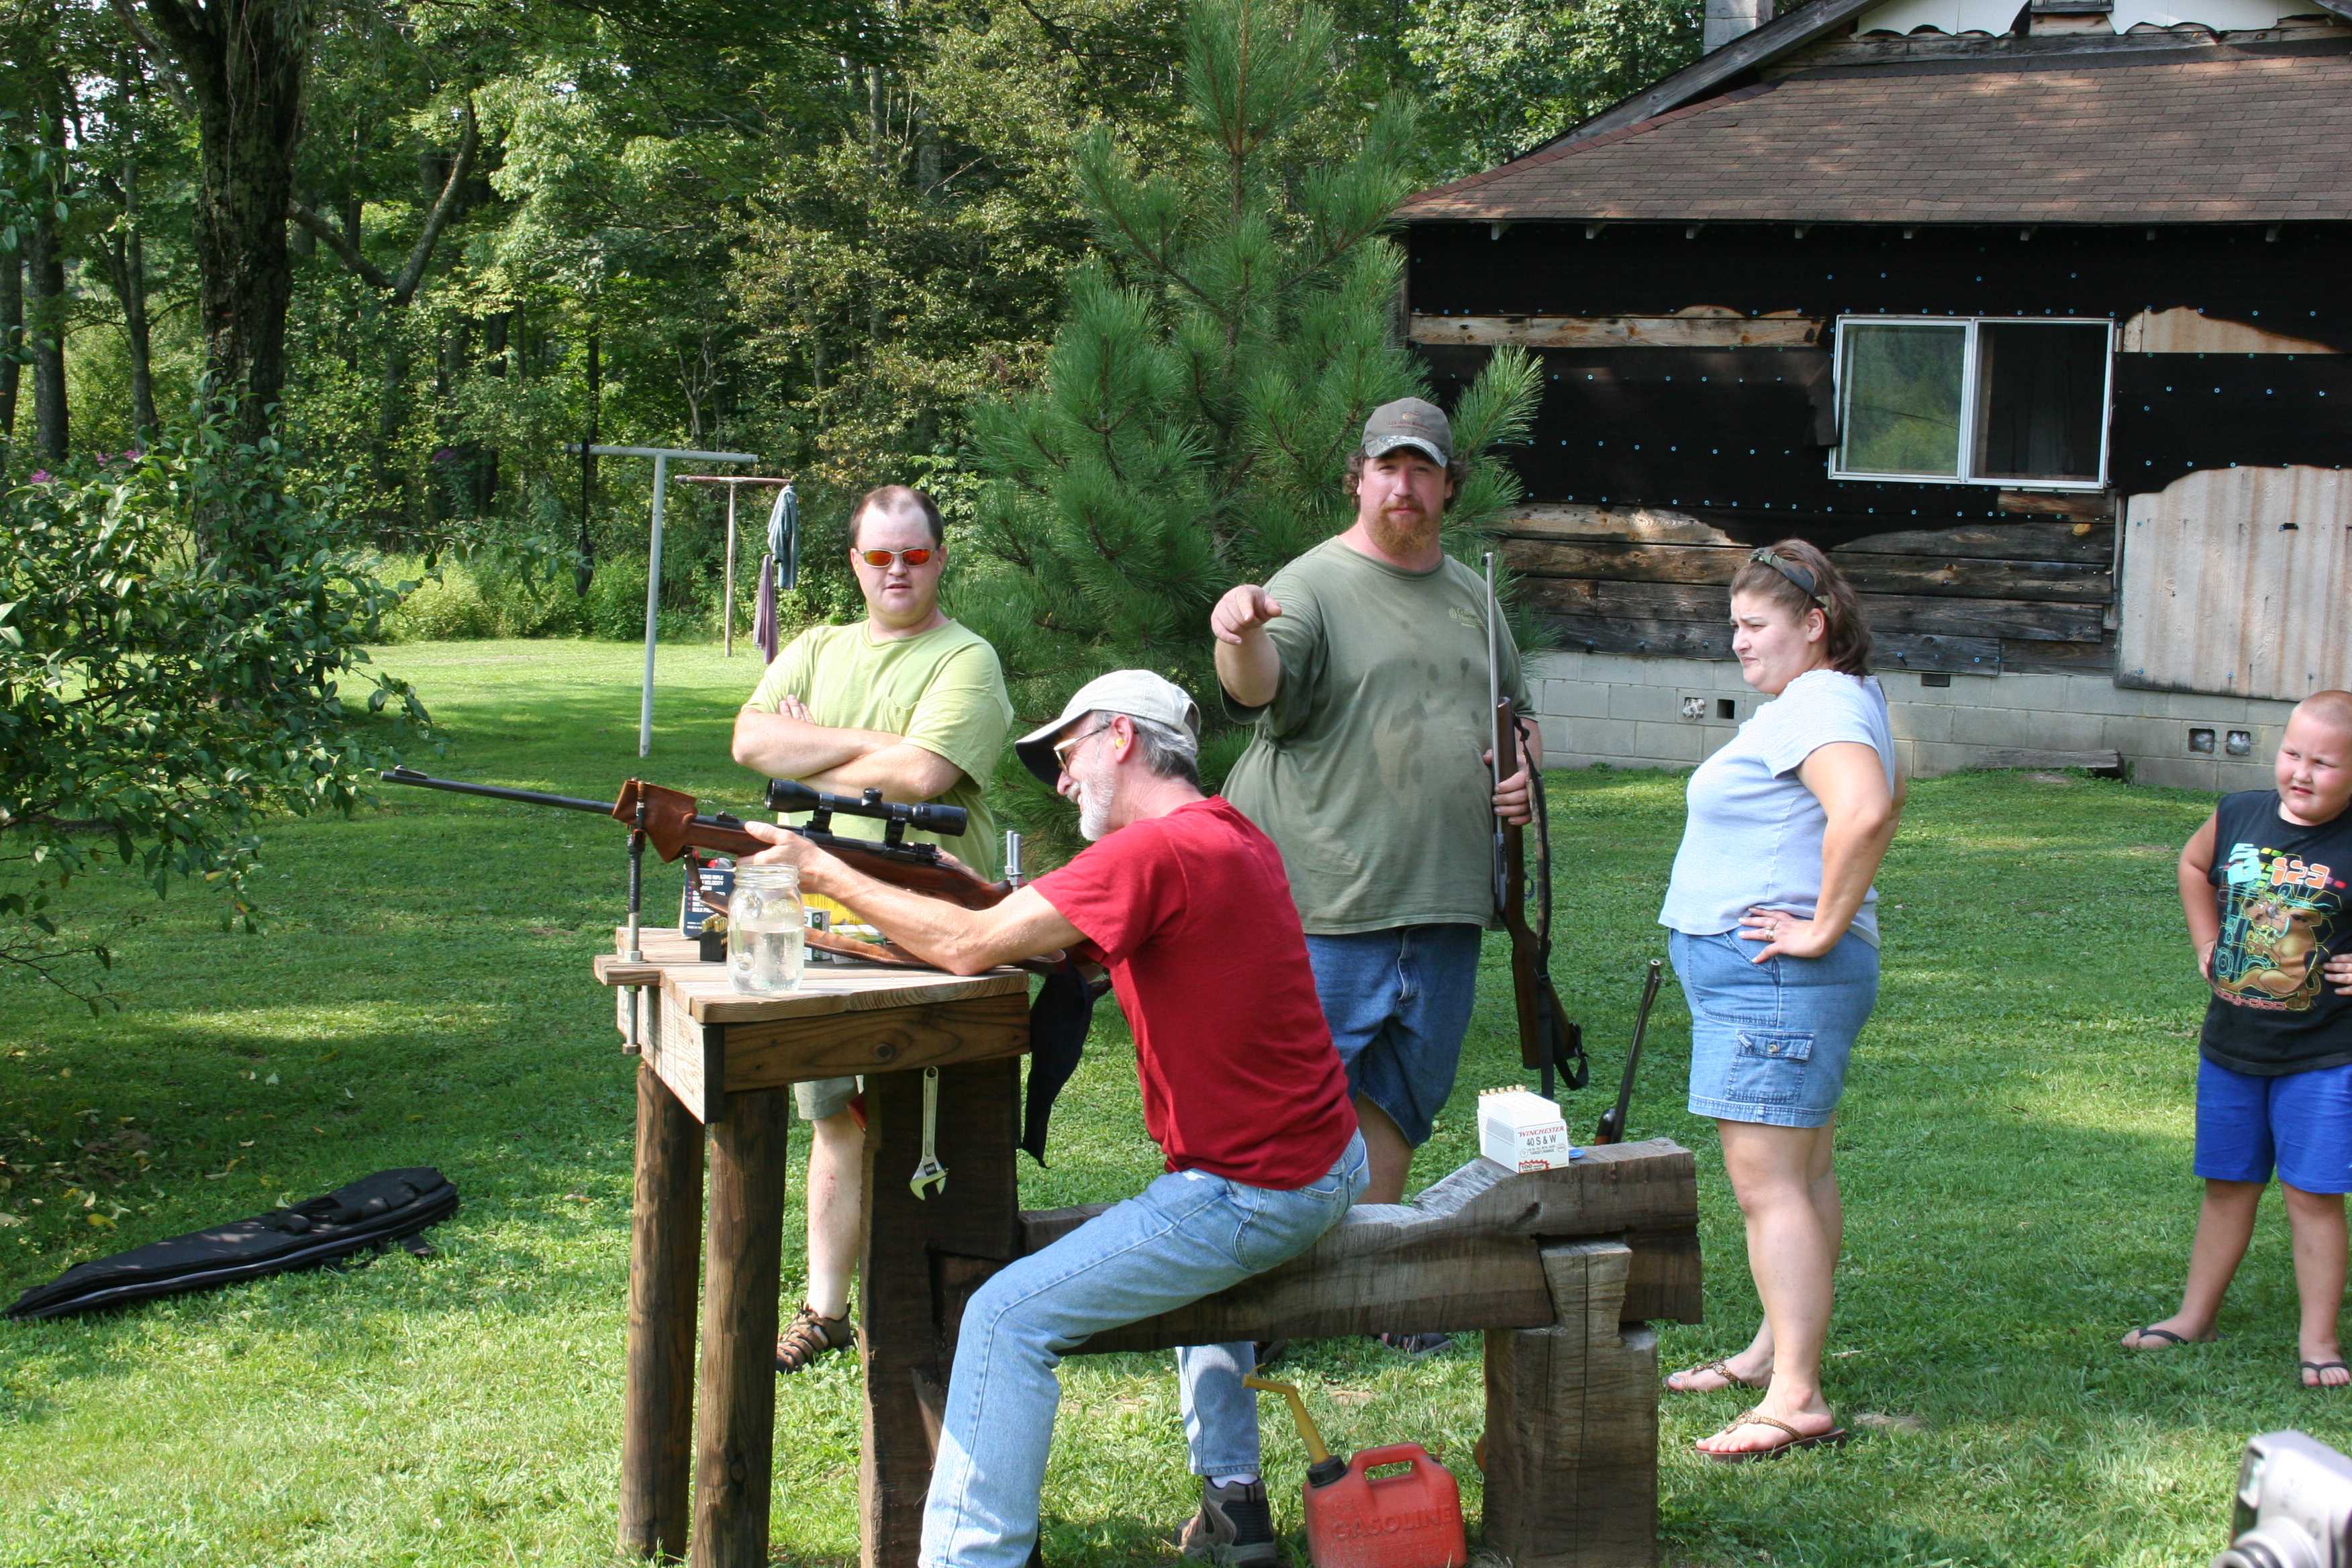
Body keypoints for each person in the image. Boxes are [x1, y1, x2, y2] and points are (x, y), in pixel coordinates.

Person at [740, 671, 1367, 1568]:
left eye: (1067, 755)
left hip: (1255, 1192)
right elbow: (1034, 929)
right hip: (1326, 1160)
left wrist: (816, 868)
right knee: (1180, 1241)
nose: (1062, 780)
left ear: (1122, 738)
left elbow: (965, 948)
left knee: (1003, 1317)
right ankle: (1235, 1502)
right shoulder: (1226, 831)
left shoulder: (1149, 854)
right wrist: (973, 893)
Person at [1210, 397, 1535, 1353]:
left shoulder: (1473, 595)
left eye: (1422, 469)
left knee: (1397, 1102)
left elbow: (1518, 717)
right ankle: (1261, 1307)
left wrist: (1522, 769)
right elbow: (1258, 687)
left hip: (1445, 897)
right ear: (1358, 479)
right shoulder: (1311, 584)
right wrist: (1238, 633)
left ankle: (1373, 1290)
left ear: (1447, 486)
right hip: (1326, 901)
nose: (1404, 485)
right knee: (1290, 1107)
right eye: (1387, 467)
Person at [730, 483, 1014, 1374]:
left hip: (929, 927)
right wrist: (873, 750)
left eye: (915, 555)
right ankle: (827, 1310)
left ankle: (945, 1313)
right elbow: (750, 743)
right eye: (881, 556)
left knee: (935, 1124)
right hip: (820, 927)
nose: (898, 571)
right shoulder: (816, 645)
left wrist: (817, 746)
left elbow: (924, 776)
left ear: (940, 559)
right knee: (834, 1118)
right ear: (855, 563)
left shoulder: (967, 658)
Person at [1655, 539, 1902, 1461]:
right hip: (1772, 983)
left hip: (1775, 981)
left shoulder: (1823, 700)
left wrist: (1819, 926)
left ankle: (1796, 1394)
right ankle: (1772, 1352)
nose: (1740, 641)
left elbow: (1866, 809)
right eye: (1734, 625)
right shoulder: (1836, 699)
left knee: (1769, 1188)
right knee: (1803, 1175)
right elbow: (1877, 802)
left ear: (1815, 624)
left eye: (1756, 624)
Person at [2122, 689, 2352, 1389]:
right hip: (2232, 1049)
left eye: (2324, 763)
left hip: (2325, 1056)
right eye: (2292, 753)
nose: (2301, 772)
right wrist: (2205, 940)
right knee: (2228, 1184)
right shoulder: (2238, 814)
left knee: (2312, 1195)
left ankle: (2319, 1340)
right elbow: (2194, 867)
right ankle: (2196, 1315)